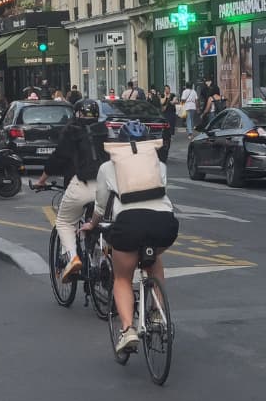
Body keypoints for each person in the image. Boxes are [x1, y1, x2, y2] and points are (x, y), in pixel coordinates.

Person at [81, 121, 178, 354]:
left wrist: (92, 224)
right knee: (154, 262)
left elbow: (101, 204)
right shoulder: (157, 163)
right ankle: (157, 315)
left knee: (123, 278)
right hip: (165, 224)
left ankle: (127, 330)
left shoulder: (108, 166)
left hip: (129, 224)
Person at [34, 99, 109, 279]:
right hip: (106, 185)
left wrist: (42, 180)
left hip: (80, 185)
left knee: (64, 222)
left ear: (77, 114)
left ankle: (72, 257)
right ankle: (104, 258)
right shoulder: (104, 130)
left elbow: (58, 158)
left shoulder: (71, 131)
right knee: (104, 223)